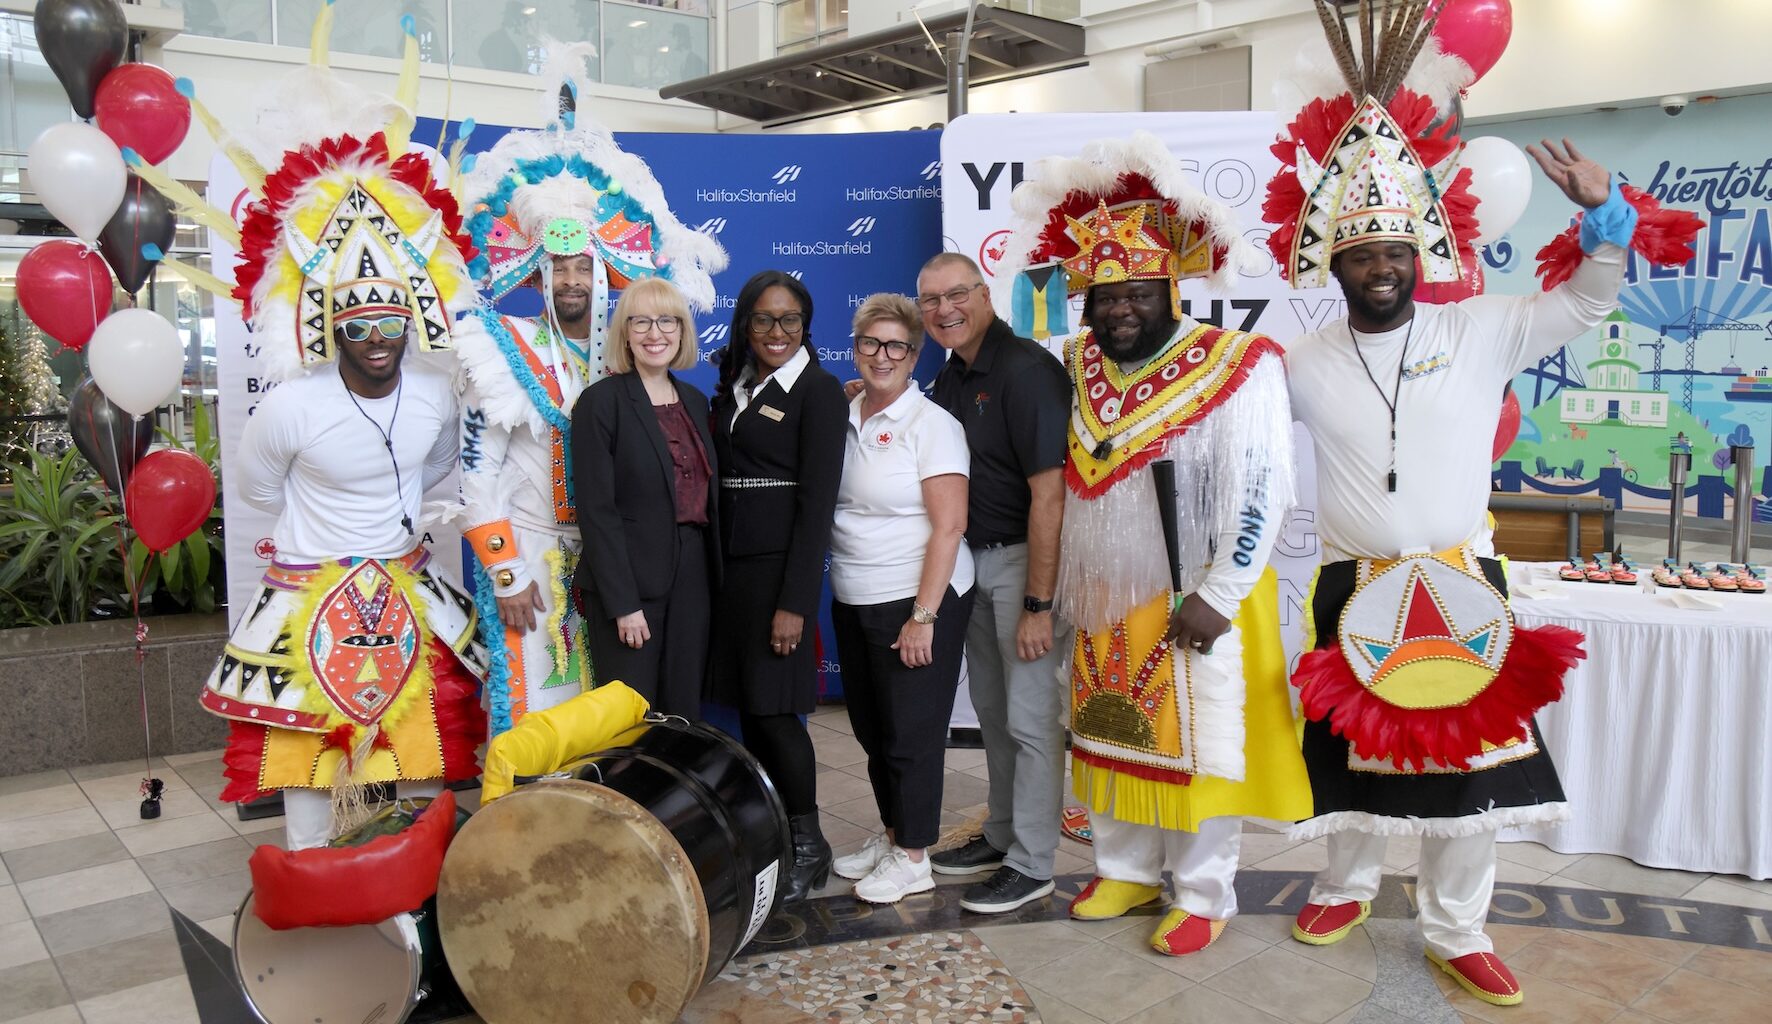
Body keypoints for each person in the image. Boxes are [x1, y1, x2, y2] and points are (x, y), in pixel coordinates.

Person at [1259, 9, 1691, 1003]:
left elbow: (1584, 304)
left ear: (1419, 257)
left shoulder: (1485, 327)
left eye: (1395, 252)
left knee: (1465, 767)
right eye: (1362, 254)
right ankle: (1346, 880)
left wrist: (1604, 218)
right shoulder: (1304, 362)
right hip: (1347, 579)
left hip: (1460, 580)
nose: (1381, 268)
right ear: (1334, 266)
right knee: (1356, 748)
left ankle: (1456, 925)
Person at [998, 134, 1313, 955]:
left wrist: (1221, 593)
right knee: (1106, 730)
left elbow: (1261, 490)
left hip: (1192, 597)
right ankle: (1127, 871)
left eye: (1136, 292)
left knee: (1198, 745)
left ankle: (1203, 895)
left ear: (1169, 288)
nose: (1119, 309)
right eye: (1103, 297)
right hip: (1099, 593)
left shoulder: (1235, 364)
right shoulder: (1072, 363)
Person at [187, 12, 488, 849]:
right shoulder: (289, 407)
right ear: (328, 329)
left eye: (392, 322)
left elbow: (431, 472)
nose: (379, 337)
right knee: (313, 765)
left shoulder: (432, 394)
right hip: (308, 594)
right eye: (361, 326)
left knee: (416, 764)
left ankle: (405, 903)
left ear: (410, 321)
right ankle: (325, 897)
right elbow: (254, 487)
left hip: (406, 587)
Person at [452, 51, 725, 735]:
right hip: (537, 557)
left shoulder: (629, 362)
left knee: (620, 718)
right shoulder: (502, 348)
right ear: (537, 272)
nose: (571, 280)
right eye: (558, 267)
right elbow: (476, 471)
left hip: (623, 569)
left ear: (604, 272)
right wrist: (506, 571)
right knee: (540, 716)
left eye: (583, 266)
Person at [922, 252, 1073, 915]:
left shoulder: (1026, 370)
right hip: (973, 564)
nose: (943, 310)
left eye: (956, 295)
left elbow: (1050, 497)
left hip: (1022, 564)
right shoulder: (952, 373)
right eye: (929, 301)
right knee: (993, 712)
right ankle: (1003, 833)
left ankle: (1033, 862)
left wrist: (1039, 603)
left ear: (986, 295)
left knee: (1032, 720)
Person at [827, 293, 976, 904]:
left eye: (896, 346)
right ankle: (893, 835)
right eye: (870, 343)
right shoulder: (843, 410)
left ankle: (915, 856)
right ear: (855, 347)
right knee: (871, 728)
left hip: (918, 595)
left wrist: (923, 616)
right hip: (854, 590)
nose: (881, 356)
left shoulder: (932, 425)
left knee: (911, 732)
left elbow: (949, 526)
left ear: (915, 355)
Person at [709, 269, 848, 901]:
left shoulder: (817, 390)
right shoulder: (733, 390)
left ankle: (810, 845)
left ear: (805, 328)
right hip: (729, 576)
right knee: (749, 714)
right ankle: (772, 838)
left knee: (778, 716)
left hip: (776, 580)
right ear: (745, 325)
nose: (776, 331)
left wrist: (796, 603)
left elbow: (817, 506)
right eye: (763, 319)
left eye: (789, 320)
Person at [572, 278, 719, 715]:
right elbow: (597, 511)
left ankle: (674, 787)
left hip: (693, 578)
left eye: (667, 321)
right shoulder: (601, 403)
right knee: (631, 715)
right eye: (641, 322)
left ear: (682, 331)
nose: (655, 334)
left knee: (682, 713)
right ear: (625, 333)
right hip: (630, 585)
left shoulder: (695, 401)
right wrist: (624, 605)